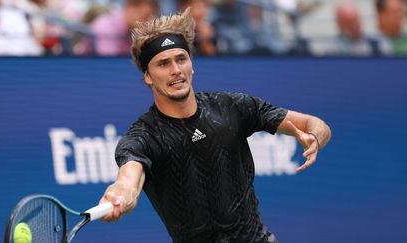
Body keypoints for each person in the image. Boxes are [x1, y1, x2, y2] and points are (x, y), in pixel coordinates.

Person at [98, 8, 331, 243]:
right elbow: (129, 183)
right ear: (147, 76)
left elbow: (315, 124)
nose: (176, 70)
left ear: (192, 64)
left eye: (181, 59)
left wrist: (315, 136)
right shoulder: (142, 138)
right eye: (163, 64)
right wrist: (118, 196)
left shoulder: (232, 106)